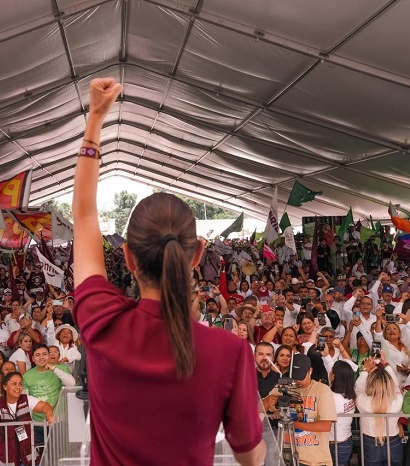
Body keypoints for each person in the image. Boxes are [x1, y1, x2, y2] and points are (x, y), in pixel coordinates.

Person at [71, 77, 263, 466]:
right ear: (197, 257)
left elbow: (84, 215)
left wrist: (95, 120)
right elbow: (251, 457)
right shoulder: (230, 352)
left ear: (126, 257)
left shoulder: (101, 321)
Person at [270, 353, 337, 466]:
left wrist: (293, 424)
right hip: (287, 457)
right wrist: (273, 405)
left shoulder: (322, 390)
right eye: (294, 377)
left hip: (315, 461)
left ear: (310, 371)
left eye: (300, 377)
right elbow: (260, 406)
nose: (297, 381)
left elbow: (326, 426)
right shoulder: (284, 387)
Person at [0, 372, 55, 466]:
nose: (18, 387)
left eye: (20, 384)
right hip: (6, 455)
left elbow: (45, 406)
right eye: (14, 384)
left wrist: (49, 414)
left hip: (27, 455)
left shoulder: (26, 399)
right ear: (5, 386)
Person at [22, 344, 76, 448]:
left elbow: (72, 383)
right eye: (37, 355)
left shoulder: (60, 368)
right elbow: (25, 398)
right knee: (40, 456)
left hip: (57, 421)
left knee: (58, 453)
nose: (41, 357)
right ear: (33, 359)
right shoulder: (27, 375)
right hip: (36, 423)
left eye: (44, 354)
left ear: (49, 355)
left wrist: (53, 368)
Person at [355, 354, 403, 466]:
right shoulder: (397, 400)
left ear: (370, 383)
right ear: (389, 383)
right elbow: (396, 385)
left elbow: (359, 386)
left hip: (370, 443)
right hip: (394, 442)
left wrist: (366, 369)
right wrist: (386, 363)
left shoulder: (363, 401)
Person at [328, 361, 356, 466]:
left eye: (331, 371)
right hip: (346, 441)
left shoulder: (331, 397)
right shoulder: (352, 393)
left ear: (334, 376)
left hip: (334, 444)